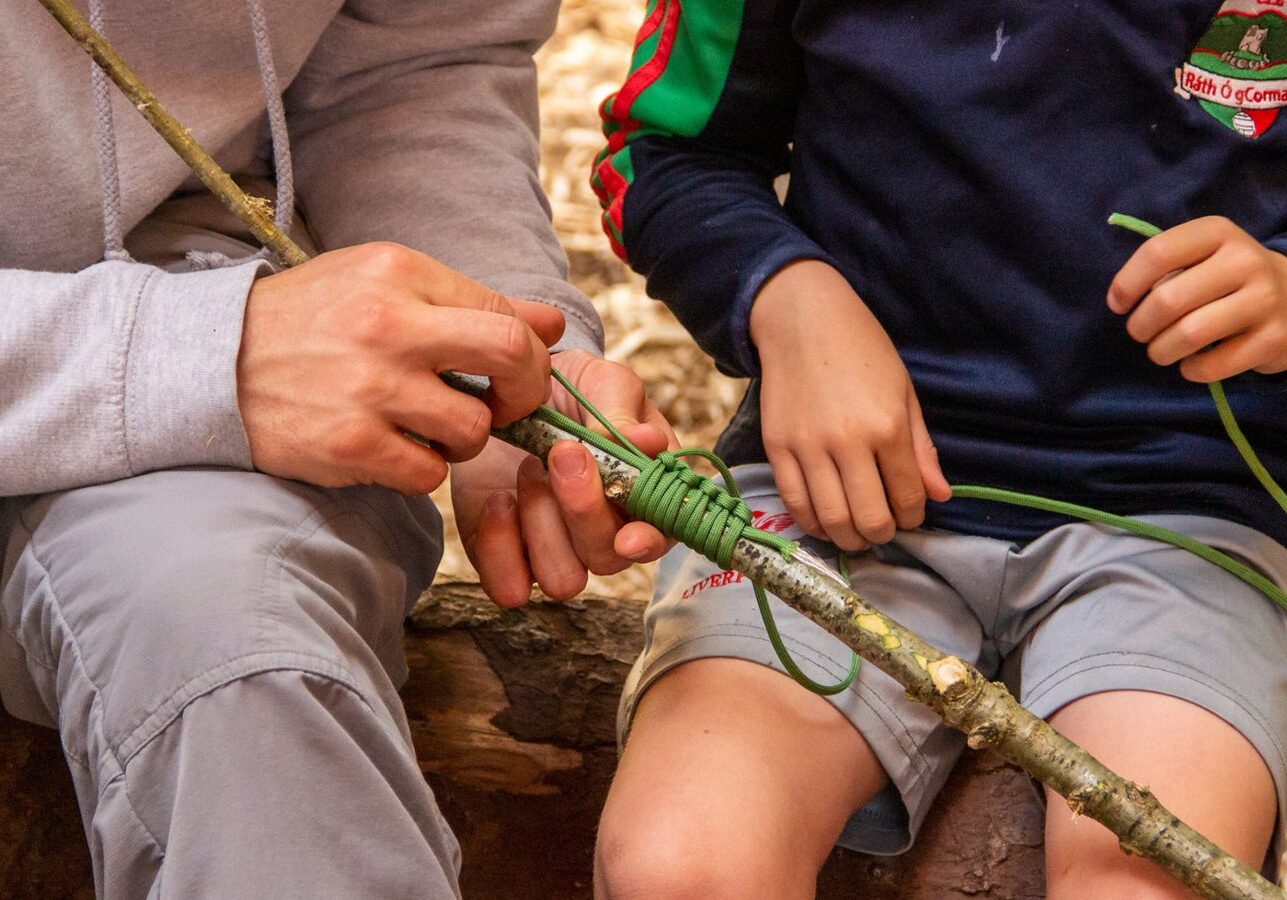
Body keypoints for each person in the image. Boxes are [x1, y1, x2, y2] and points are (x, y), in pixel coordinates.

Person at [590, 2, 1287, 896]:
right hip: (834, 496)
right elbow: (660, 152)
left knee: (1147, 881)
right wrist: (788, 301)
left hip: (1187, 511)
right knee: (680, 863)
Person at [0, 0, 672, 897]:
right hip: (173, 333)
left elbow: (405, 62)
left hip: (161, 267)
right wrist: (202, 359)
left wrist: (486, 343)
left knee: (235, 641)